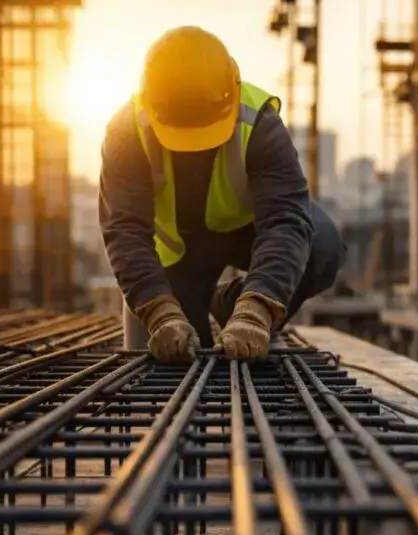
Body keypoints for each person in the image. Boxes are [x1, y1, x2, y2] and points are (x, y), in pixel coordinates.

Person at [98, 26, 345, 363]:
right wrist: (159, 309)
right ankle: (196, 303)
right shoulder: (126, 132)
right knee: (168, 359)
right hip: (178, 256)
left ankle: (234, 302)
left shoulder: (257, 122)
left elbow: (286, 221)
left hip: (248, 231)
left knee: (323, 245)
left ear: (234, 92)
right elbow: (125, 230)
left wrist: (257, 307)